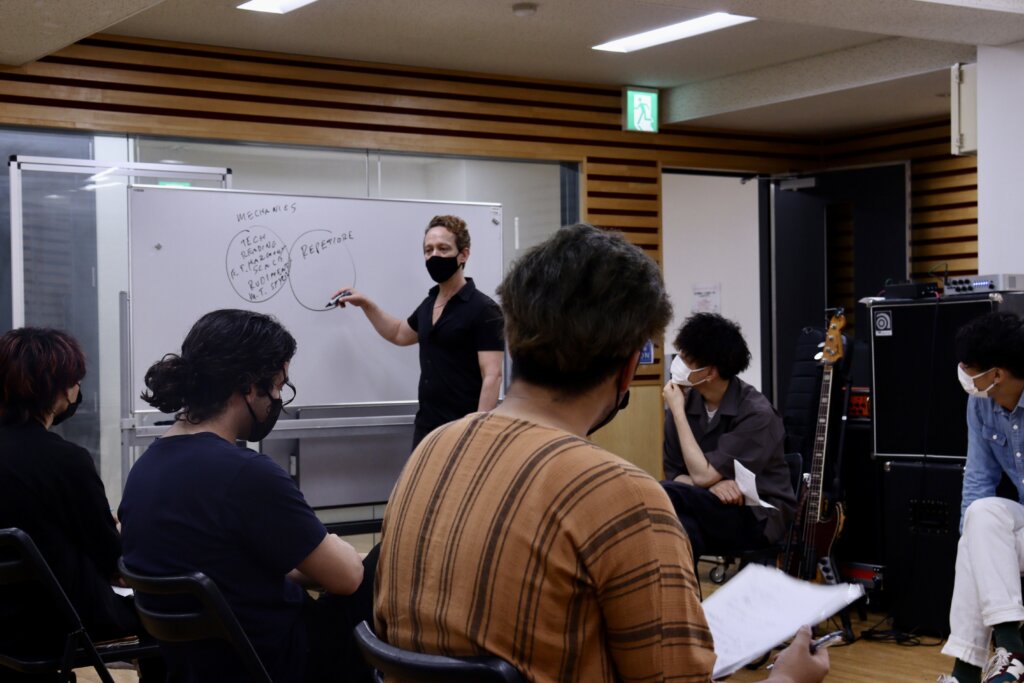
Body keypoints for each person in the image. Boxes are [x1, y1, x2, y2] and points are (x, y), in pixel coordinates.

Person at [375, 224, 828, 683]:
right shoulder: (622, 499)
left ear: (515, 338)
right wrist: (787, 679)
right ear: (628, 368)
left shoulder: (428, 454)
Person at [118, 309, 371, 683]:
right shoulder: (246, 473)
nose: (278, 399)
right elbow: (347, 577)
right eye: (279, 386)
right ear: (251, 387)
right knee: (378, 567)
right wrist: (342, 551)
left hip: (196, 669)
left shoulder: (145, 468)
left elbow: (229, 567)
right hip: (274, 664)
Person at [0, 328, 162, 681]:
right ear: (59, 388)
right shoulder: (66, 461)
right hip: (59, 620)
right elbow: (113, 560)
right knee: (165, 614)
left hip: (6, 623)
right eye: (75, 381)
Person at [331, 214, 504, 448]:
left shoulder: (484, 309)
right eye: (428, 250)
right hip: (426, 428)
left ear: (463, 254)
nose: (434, 255)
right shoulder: (429, 304)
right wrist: (365, 303)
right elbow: (398, 333)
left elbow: (492, 375)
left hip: (463, 431)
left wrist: (478, 433)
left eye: (443, 248)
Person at [660, 313, 796, 563]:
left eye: (686, 358)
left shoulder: (757, 414)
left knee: (663, 494)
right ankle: (684, 589)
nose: (678, 361)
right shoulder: (686, 401)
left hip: (756, 514)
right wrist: (710, 486)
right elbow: (676, 474)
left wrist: (677, 412)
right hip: (708, 505)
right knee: (681, 526)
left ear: (710, 372)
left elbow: (700, 477)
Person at [939, 312, 1024, 683]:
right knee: (980, 515)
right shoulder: (981, 403)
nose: (962, 372)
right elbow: (977, 478)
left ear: (997, 374)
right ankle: (1010, 652)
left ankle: (966, 673)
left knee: (980, 527)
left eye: (968, 368)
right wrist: (973, 543)